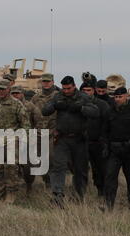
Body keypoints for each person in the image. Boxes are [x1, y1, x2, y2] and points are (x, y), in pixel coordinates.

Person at [42, 76, 99, 206]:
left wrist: (81, 108)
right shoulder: (58, 96)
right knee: (58, 167)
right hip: (62, 138)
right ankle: (57, 195)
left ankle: (79, 196)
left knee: (80, 169)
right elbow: (44, 111)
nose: (66, 91)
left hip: (79, 139)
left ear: (74, 86)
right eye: (63, 89)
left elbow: (95, 112)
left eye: (68, 88)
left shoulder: (83, 97)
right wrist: (55, 105)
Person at [0, 79, 31, 204]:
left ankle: (10, 194)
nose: (1, 91)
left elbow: (26, 125)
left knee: (11, 168)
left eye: (3, 89)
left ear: (9, 89)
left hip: (11, 142)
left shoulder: (17, 104)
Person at [102, 87, 130, 211]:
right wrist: (105, 146)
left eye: (120, 97)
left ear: (126, 96)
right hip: (114, 150)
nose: (118, 99)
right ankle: (108, 205)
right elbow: (104, 131)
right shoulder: (109, 112)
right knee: (110, 177)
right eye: (116, 97)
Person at [80, 82, 110, 197]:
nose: (86, 93)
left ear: (94, 91)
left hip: (98, 143)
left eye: (89, 90)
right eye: (84, 90)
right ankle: (80, 193)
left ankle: (101, 191)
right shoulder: (77, 105)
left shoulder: (102, 105)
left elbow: (107, 123)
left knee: (100, 169)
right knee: (80, 169)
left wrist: (104, 140)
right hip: (81, 142)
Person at [11, 85, 42, 194]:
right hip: (10, 141)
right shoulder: (7, 106)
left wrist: (35, 137)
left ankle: (29, 186)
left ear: (22, 94)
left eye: (17, 93)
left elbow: (39, 122)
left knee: (28, 167)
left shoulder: (30, 107)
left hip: (26, 141)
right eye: (13, 93)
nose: (15, 95)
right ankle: (11, 190)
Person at [31, 73, 60, 187]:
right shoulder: (36, 97)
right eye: (44, 81)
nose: (46, 84)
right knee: (41, 159)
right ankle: (47, 180)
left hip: (53, 132)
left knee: (52, 158)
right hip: (39, 133)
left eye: (48, 81)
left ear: (52, 82)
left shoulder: (58, 96)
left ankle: (53, 183)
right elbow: (31, 113)